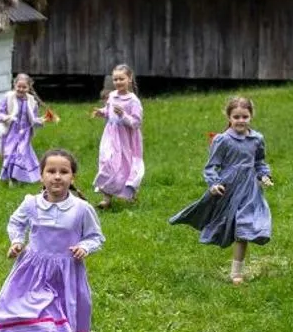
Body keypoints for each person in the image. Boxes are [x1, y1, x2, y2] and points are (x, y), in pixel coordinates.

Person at [0, 149, 104, 332]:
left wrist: (84, 247)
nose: (57, 177)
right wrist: (17, 242)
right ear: (41, 176)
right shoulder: (31, 203)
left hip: (65, 279)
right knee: (45, 331)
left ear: (73, 177)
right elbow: (16, 223)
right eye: (51, 171)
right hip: (33, 276)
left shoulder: (81, 209)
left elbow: (96, 236)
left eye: (64, 172)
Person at [169, 96, 273, 285]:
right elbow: (211, 167)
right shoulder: (222, 140)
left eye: (245, 116)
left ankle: (236, 273)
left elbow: (259, 162)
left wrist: (264, 176)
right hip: (228, 190)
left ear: (251, 116)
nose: (241, 121)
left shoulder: (257, 139)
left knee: (244, 228)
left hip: (250, 190)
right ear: (229, 117)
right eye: (236, 117)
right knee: (227, 226)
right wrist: (213, 184)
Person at [91, 64, 144, 209]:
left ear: (129, 79)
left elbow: (136, 122)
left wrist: (123, 115)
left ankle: (130, 193)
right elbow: (109, 111)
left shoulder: (133, 100)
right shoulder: (112, 96)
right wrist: (101, 113)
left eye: (121, 79)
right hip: (110, 136)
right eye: (115, 79)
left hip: (126, 139)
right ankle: (106, 198)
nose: (118, 82)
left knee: (125, 166)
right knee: (107, 162)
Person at [0, 73, 55, 186]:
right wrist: (6, 117)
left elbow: (33, 119)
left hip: (25, 134)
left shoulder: (31, 102)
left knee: (21, 154)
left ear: (29, 88)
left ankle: (16, 178)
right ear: (14, 85)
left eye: (24, 87)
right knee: (10, 154)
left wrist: (42, 120)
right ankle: (11, 178)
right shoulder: (9, 98)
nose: (21, 89)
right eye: (19, 86)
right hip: (11, 133)